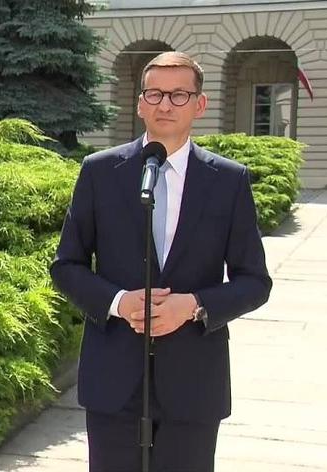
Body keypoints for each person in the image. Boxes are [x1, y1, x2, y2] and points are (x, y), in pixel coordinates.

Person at [50, 51, 272, 471]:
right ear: (139, 103)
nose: (164, 104)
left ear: (199, 105)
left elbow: (255, 281)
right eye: (154, 94)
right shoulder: (100, 171)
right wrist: (117, 301)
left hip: (193, 382)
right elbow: (67, 265)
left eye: (178, 95)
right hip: (114, 380)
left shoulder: (228, 180)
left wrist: (194, 306)